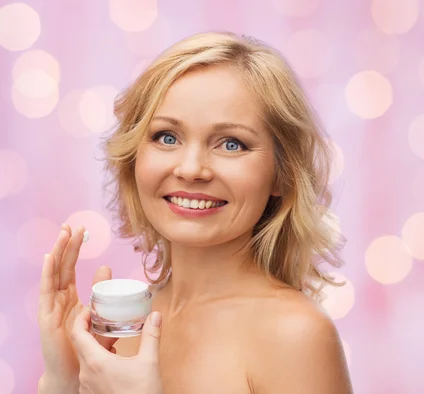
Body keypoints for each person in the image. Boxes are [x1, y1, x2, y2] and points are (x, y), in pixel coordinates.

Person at [37, 31, 353, 394]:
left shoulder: (295, 333)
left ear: (281, 174)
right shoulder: (119, 324)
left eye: (231, 144)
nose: (191, 169)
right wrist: (62, 380)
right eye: (167, 137)